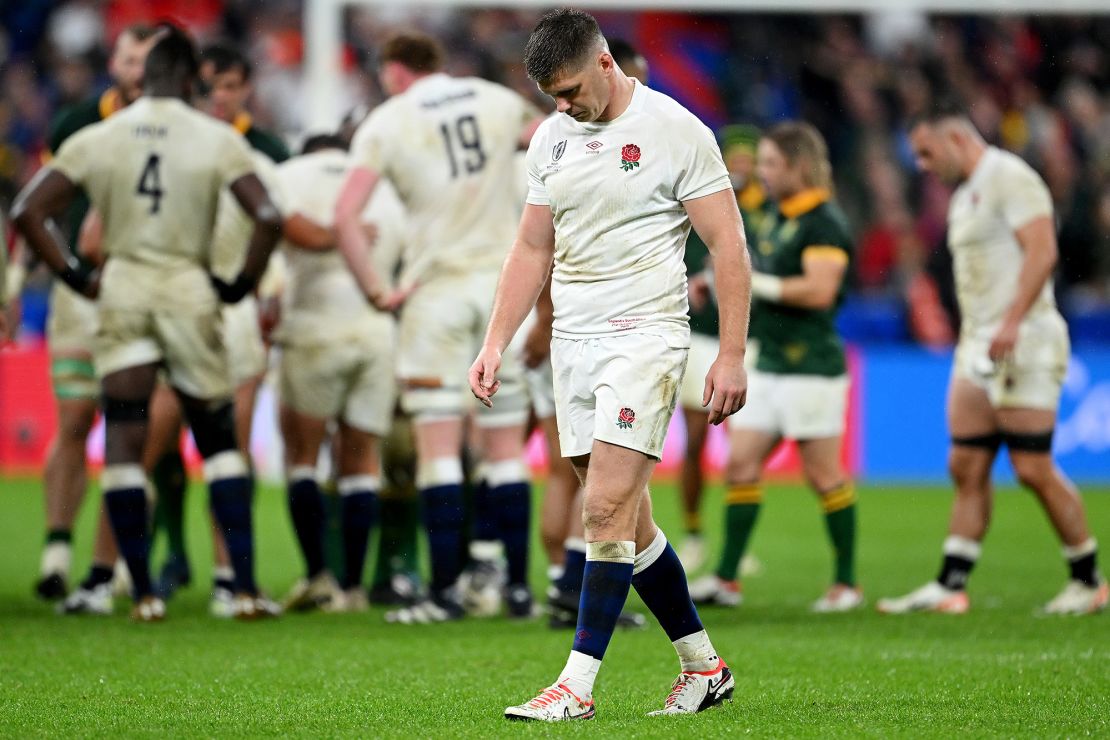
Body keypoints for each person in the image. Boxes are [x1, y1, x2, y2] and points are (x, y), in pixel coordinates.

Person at [470, 9, 750, 720]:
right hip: (574, 343)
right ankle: (703, 667)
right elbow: (532, 248)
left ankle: (576, 686)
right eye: (551, 97)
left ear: (605, 64)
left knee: (599, 512)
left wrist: (730, 353)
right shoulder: (553, 138)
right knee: (629, 520)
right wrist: (496, 339)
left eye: (569, 90)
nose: (563, 107)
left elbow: (727, 246)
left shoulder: (675, 131)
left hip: (646, 336)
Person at [12, 25, 283, 621]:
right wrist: (238, 283)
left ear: (145, 76)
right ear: (191, 80)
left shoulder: (100, 136)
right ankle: (238, 585)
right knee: (218, 443)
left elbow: (27, 210)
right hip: (188, 290)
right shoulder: (215, 139)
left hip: (124, 291)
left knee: (126, 442)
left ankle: (142, 592)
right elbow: (266, 214)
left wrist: (77, 276)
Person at [335, 31, 545, 622]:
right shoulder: (494, 99)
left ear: (394, 72)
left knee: (440, 451)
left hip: (438, 294)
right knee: (506, 452)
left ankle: (445, 592)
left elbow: (344, 215)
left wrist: (378, 290)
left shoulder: (387, 121)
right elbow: (557, 141)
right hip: (505, 289)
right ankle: (519, 589)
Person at [878, 103, 1107, 616]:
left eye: (927, 152)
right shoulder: (963, 199)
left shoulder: (1011, 177)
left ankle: (1088, 579)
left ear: (957, 139)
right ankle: (950, 583)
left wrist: (1010, 322)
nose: (921, 164)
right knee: (966, 462)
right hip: (978, 345)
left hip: (1024, 338)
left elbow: (1042, 251)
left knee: (1031, 467)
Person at [688, 122, 860, 612]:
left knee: (824, 474)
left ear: (797, 167)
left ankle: (846, 584)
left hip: (812, 367)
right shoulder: (776, 216)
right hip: (768, 362)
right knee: (740, 464)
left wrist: (754, 286)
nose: (761, 172)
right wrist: (711, 280)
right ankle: (726, 579)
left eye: (769, 163)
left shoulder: (824, 221)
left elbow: (819, 291)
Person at [151, 42, 291, 601]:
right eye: (211, 87)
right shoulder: (195, 150)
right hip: (196, 307)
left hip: (213, 309)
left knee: (218, 445)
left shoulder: (262, 151)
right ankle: (158, 563)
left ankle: (225, 574)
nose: (219, 96)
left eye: (229, 85)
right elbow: (274, 220)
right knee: (159, 448)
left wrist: (263, 288)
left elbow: (277, 230)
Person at [33, 24, 158, 601]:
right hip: (83, 298)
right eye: (131, 58)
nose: (138, 70)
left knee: (131, 433)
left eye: (148, 60)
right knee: (76, 420)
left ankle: (113, 564)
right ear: (116, 61)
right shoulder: (76, 123)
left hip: (147, 295)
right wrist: (42, 280)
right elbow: (38, 208)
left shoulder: (178, 125)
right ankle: (58, 548)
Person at [273, 133, 406, 612]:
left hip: (314, 326)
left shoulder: (288, 177)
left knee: (303, 456)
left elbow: (278, 225)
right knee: (361, 459)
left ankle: (318, 576)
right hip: (376, 331)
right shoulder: (385, 189)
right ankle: (353, 586)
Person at [675, 123, 765, 572]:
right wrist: (687, 281)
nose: (744, 168)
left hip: (745, 341)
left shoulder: (766, 212)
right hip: (701, 336)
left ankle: (736, 544)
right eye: (739, 159)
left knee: (743, 447)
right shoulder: (701, 202)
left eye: (751, 161)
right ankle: (693, 532)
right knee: (695, 441)